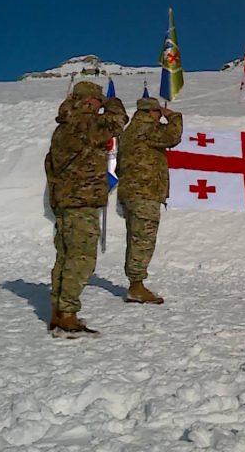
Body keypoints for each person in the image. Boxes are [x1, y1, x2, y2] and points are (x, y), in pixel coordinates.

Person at [45, 81, 129, 335]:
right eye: (97, 100)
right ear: (88, 100)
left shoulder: (64, 126)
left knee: (65, 256)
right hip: (81, 202)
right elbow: (118, 121)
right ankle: (68, 313)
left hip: (65, 201)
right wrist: (112, 102)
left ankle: (58, 311)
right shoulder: (84, 122)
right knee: (82, 258)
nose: (99, 104)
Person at [117, 97, 184, 304]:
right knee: (143, 240)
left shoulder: (130, 131)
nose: (160, 116)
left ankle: (135, 282)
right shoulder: (145, 128)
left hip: (132, 192)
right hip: (144, 193)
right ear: (151, 112)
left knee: (136, 238)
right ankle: (136, 286)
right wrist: (174, 117)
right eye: (158, 112)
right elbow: (172, 137)